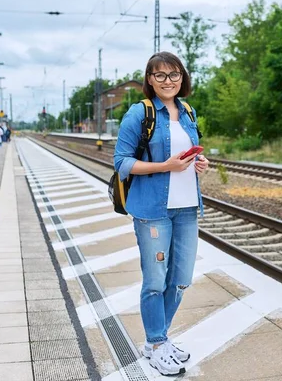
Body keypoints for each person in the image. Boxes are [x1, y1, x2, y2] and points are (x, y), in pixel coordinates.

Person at [114, 51, 209, 377]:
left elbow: (187, 153)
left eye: (174, 75)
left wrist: (199, 164)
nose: (168, 81)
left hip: (186, 209)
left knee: (180, 280)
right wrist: (165, 166)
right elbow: (122, 162)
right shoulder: (139, 113)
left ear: (183, 78)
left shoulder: (188, 112)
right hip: (153, 210)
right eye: (160, 75)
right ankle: (155, 343)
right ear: (150, 80)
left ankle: (159, 340)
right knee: (155, 282)